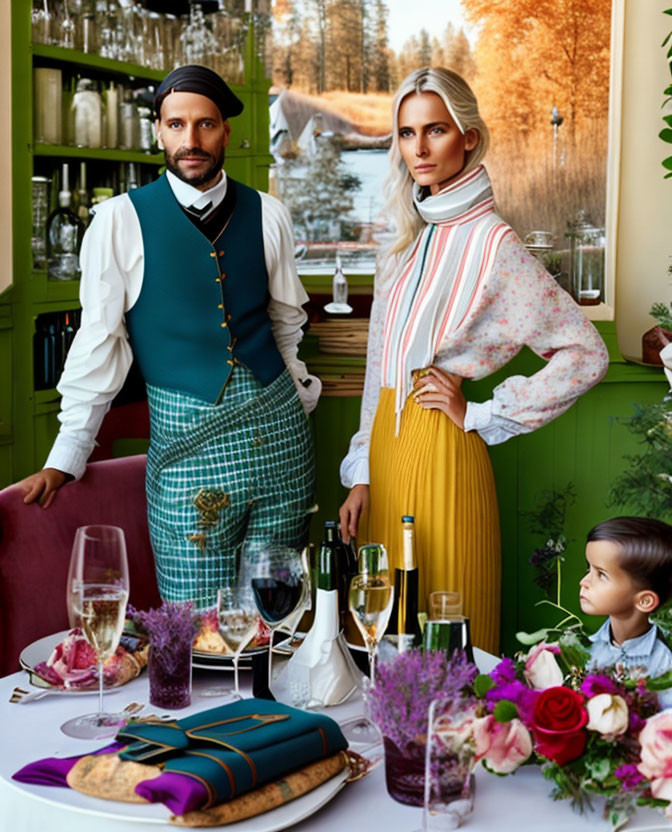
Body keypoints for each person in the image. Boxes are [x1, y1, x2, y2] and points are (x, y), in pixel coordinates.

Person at [19, 65, 320, 607]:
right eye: (176, 125)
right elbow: (99, 342)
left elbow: (284, 324)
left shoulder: (268, 213)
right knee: (197, 624)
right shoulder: (117, 221)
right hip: (187, 451)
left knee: (275, 618)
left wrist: (296, 394)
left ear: (225, 132)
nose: (191, 140)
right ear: (157, 130)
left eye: (205, 125)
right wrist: (67, 453)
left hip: (281, 444)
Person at [339, 67, 609, 654]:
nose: (420, 148)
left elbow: (586, 353)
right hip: (384, 455)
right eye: (407, 134)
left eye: (435, 130)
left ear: (468, 136)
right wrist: (360, 472)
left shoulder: (495, 245)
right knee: (388, 635)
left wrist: (481, 412)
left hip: (444, 450)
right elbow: (378, 370)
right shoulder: (404, 242)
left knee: (446, 633)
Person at [580, 517, 672, 698]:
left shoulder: (664, 665)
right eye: (588, 569)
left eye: (601, 575)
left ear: (644, 601)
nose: (583, 582)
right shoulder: (585, 649)